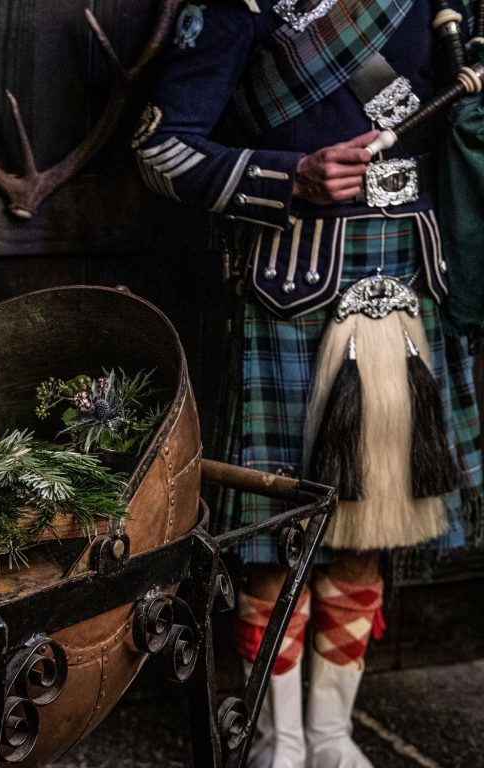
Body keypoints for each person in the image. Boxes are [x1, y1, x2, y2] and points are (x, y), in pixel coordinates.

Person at [133, 1, 482, 766]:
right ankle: (277, 738)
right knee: (274, 538)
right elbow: (159, 149)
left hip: (408, 278)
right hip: (292, 288)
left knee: (371, 526)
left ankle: (330, 735)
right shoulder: (236, 9)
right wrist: (287, 175)